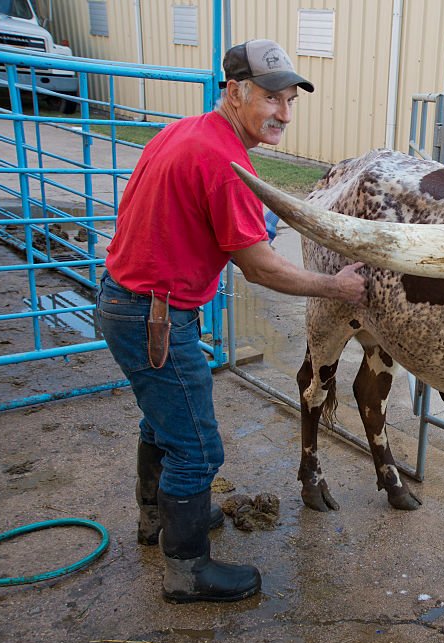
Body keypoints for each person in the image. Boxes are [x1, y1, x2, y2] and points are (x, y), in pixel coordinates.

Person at [95, 39, 366, 604]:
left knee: (163, 422)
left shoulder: (183, 131)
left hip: (132, 301)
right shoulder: (223, 161)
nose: (284, 114)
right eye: (272, 98)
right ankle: (187, 570)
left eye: (291, 101)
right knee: (197, 447)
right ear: (236, 91)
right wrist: (336, 286)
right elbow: (260, 269)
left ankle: (158, 521)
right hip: (155, 315)